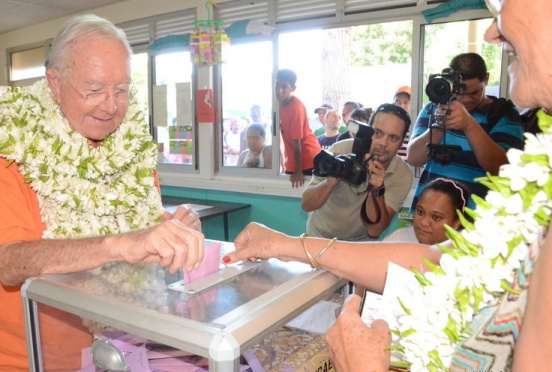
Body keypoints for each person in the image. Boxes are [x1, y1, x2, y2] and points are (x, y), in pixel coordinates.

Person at [223, 0, 552, 369]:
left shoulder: (499, 119)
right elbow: (436, 263)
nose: (493, 32)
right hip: (331, 249)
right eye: (377, 133)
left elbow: (383, 232)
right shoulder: (353, 147)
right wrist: (286, 242)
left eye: (503, 4)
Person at [0, 15, 205, 371]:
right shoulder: (5, 151)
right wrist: (120, 244)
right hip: (27, 355)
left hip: (119, 347)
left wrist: (173, 228)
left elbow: (138, 222)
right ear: (55, 83)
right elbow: (8, 263)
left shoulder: (131, 147)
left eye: (121, 90)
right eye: (94, 90)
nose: (111, 106)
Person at [406, 52, 524, 211]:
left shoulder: (503, 114)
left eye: (474, 93)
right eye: (460, 93)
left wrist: (469, 125)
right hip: (428, 216)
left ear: (487, 79)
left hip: (478, 221)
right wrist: (439, 126)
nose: (466, 100)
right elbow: (414, 158)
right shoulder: (433, 108)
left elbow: (502, 169)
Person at [302, 103, 413, 241]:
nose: (383, 143)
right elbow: (307, 204)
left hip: (361, 244)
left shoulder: (401, 174)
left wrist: (377, 190)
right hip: (320, 238)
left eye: (393, 138)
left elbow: (374, 230)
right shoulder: (342, 149)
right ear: (368, 131)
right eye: (378, 133)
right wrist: (329, 182)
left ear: (402, 141)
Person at [383, 177, 468, 245]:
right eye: (420, 212)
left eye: (436, 217)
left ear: (457, 223)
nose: (424, 222)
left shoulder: (468, 254)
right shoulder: (398, 239)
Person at [275, 68, 321, 188]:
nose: (279, 91)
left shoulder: (295, 108)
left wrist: (298, 171)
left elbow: (296, 142)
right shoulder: (277, 104)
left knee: (304, 195)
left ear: (292, 88)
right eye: (277, 85)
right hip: (293, 160)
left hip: (307, 159)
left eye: (284, 87)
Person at [393, 86, 411, 159]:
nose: (401, 106)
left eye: (406, 102)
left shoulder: (416, 128)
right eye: (398, 102)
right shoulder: (389, 126)